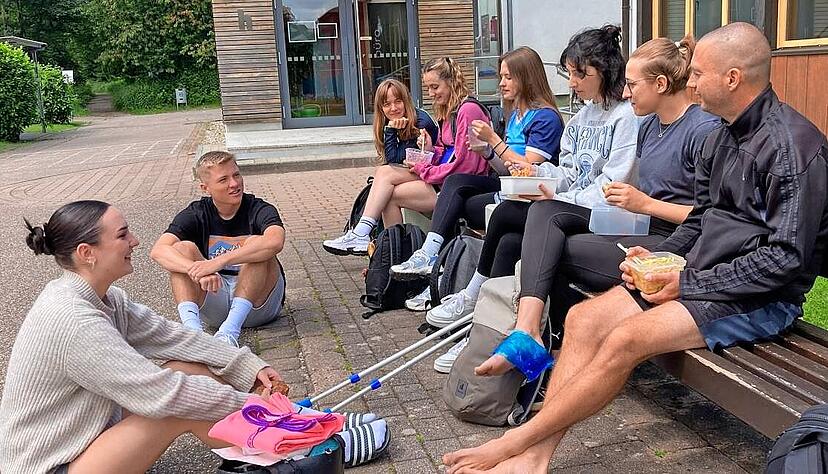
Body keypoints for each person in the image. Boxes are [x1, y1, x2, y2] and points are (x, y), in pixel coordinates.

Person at [443, 22, 828, 474]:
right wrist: (664, 256)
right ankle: (535, 457)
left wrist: (687, 282)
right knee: (582, 319)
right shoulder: (723, 134)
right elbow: (703, 216)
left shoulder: (792, 148)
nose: (691, 81)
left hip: (759, 297)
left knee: (624, 339)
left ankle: (516, 442)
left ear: (733, 78)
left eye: (698, 73)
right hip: (701, 273)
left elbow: (784, 260)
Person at [474, 34, 720, 377]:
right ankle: (512, 337)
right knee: (525, 238)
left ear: (661, 84)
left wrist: (645, 203)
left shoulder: (703, 130)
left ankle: (542, 346)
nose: (626, 93)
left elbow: (712, 218)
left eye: (632, 85)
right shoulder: (650, 126)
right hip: (641, 230)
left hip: (674, 247)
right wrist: (542, 177)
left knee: (544, 240)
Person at [0, 201, 284, 473]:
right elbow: (162, 393)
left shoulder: (105, 298)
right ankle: (276, 451)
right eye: (122, 235)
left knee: (188, 368)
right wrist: (250, 405)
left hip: (82, 437)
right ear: (87, 253)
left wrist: (249, 365)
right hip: (50, 465)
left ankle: (268, 445)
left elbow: (176, 338)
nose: (135, 241)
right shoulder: (74, 321)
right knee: (177, 407)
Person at [424, 25, 639, 335]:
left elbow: (612, 185)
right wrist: (538, 175)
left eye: (580, 74)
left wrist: (556, 197)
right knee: (510, 241)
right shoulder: (581, 117)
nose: (572, 83)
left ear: (604, 71)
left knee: (509, 212)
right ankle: (485, 329)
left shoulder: (626, 117)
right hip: (570, 204)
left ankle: (474, 299)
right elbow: (568, 173)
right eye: (570, 74)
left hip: (602, 213)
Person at [390, 46, 564, 280]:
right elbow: (506, 170)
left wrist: (493, 141)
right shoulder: (516, 115)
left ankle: (437, 268)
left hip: (528, 196)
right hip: (507, 187)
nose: (501, 83)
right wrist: (487, 153)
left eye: (508, 77)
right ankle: (435, 268)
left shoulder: (545, 117)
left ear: (526, 78)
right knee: (453, 188)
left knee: (454, 196)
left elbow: (527, 172)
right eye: (501, 76)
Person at [322, 57, 490, 256]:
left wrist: (424, 168)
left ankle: (370, 238)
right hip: (444, 179)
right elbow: (442, 152)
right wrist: (429, 149)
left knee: (385, 178)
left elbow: (465, 166)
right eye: (428, 88)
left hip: (458, 187)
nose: (431, 94)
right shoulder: (449, 111)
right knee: (386, 187)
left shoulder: (466, 110)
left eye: (435, 87)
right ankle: (392, 253)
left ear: (452, 82)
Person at [150, 151, 286, 347]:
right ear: (205, 188)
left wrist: (218, 262)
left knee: (257, 245)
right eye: (224, 180)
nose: (234, 184)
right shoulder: (197, 212)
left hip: (258, 305)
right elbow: (158, 251)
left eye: (236, 175)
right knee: (182, 249)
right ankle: (193, 335)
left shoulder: (259, 208)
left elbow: (275, 241)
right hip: (216, 302)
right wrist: (196, 269)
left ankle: (229, 333)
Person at [372, 78, 439, 165]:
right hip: (419, 168)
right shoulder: (390, 121)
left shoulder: (420, 123)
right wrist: (391, 127)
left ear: (406, 101)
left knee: (385, 171)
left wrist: (390, 130)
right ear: (381, 108)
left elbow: (393, 160)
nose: (393, 108)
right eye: (387, 104)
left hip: (436, 167)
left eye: (398, 101)